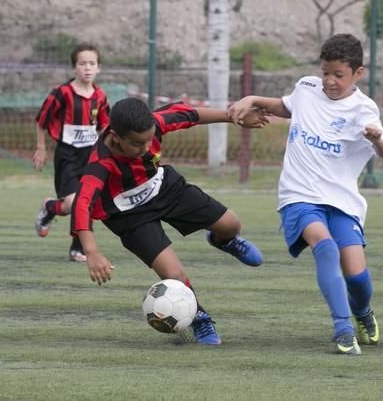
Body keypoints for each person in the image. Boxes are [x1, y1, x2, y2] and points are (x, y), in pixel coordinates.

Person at [229, 33, 383, 356]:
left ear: (358, 73)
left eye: (338, 75)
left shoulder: (363, 109)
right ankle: (343, 327)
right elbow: (285, 107)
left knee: (357, 277)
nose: (329, 81)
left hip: (342, 201)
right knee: (325, 246)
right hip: (299, 194)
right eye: (325, 72)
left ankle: (362, 312)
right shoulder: (306, 88)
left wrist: (376, 139)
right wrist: (253, 99)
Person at [70, 97, 267, 345]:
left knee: (232, 225)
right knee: (173, 274)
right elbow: (82, 204)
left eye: (148, 139)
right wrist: (91, 251)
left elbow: (192, 115)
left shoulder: (155, 123)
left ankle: (224, 241)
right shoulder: (100, 164)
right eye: (136, 143)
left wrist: (234, 117)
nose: (145, 147)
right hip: (129, 215)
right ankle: (199, 319)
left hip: (164, 188)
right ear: (116, 136)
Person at [33, 44, 110, 262]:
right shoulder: (62, 93)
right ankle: (50, 207)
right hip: (67, 156)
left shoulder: (101, 97)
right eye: (82, 63)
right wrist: (41, 148)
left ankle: (78, 248)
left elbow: (105, 127)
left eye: (92, 64)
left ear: (99, 68)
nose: (87, 68)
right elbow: (42, 121)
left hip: (91, 156)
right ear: (74, 68)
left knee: (87, 202)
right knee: (72, 204)